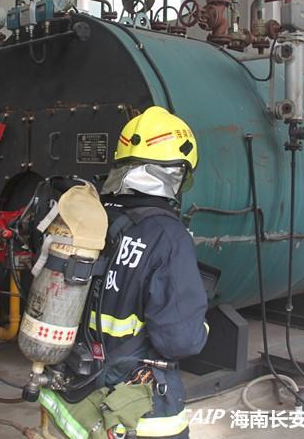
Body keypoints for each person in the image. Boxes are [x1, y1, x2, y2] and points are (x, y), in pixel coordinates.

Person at [40, 106, 209, 439]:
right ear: (176, 174)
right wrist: (200, 326)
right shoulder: (168, 237)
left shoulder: (92, 218)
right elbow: (180, 340)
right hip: (131, 411)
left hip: (73, 394)